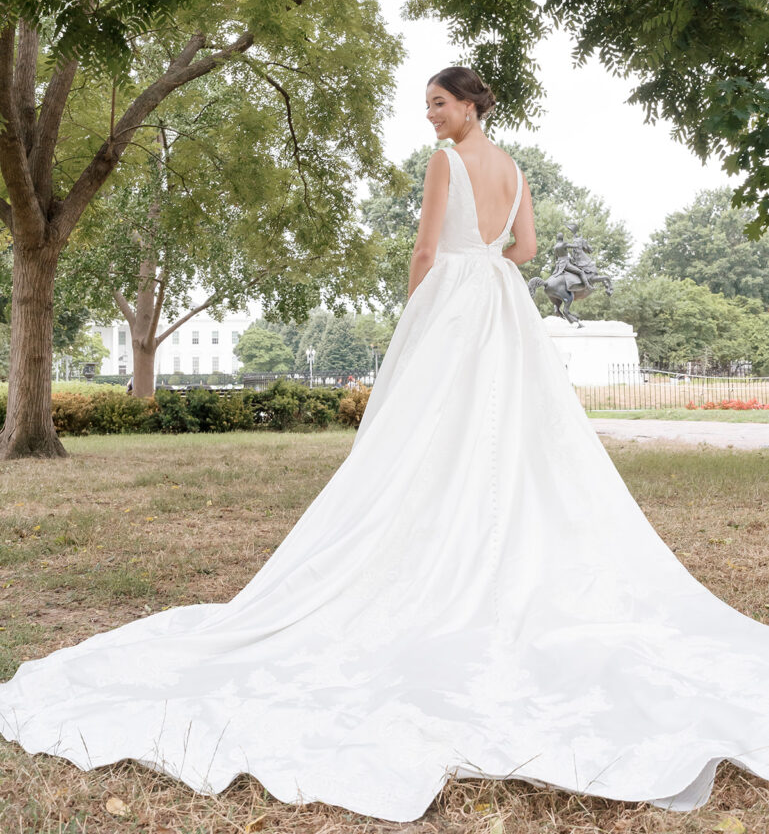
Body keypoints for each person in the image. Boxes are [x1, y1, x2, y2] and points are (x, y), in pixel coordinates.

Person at [1, 67, 768, 824]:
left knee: (428, 437)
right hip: (503, 308)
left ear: (469, 104)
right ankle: (493, 557)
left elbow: (425, 252)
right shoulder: (514, 166)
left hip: (457, 304)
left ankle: (444, 557)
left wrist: (418, 322)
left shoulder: (446, 162)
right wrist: (490, 264)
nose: (430, 118)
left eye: (438, 104)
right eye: (427, 107)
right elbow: (526, 250)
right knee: (510, 436)